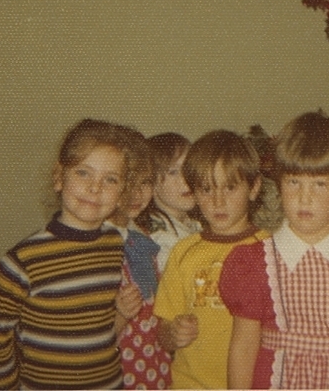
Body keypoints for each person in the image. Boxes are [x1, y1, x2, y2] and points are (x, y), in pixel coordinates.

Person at [219, 112, 329, 389]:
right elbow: (243, 346)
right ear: (279, 182)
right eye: (293, 182)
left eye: (320, 184)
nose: (304, 197)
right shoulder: (255, 263)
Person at [0, 118, 134, 390]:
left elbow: (96, 326)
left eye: (110, 179)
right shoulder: (22, 261)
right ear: (58, 177)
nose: (95, 188)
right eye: (83, 173)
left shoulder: (115, 244)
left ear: (121, 194)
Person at [154, 130, 269, 389]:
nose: (218, 201)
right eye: (206, 189)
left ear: (254, 187)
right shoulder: (183, 252)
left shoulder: (270, 251)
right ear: (193, 193)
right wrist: (172, 333)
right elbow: (163, 330)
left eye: (230, 188)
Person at [110, 131, 172, 390]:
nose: (137, 193)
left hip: (153, 358)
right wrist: (120, 315)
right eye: (128, 182)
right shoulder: (99, 243)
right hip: (116, 363)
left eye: (145, 182)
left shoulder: (142, 237)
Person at [137, 132, 202, 272]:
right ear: (152, 184)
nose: (185, 179)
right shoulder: (159, 237)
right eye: (173, 172)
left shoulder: (193, 224)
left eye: (188, 168)